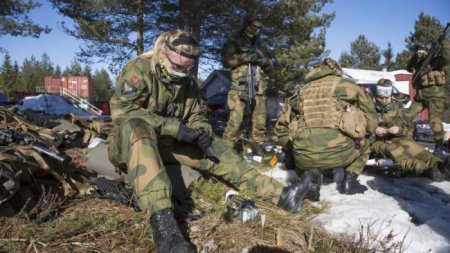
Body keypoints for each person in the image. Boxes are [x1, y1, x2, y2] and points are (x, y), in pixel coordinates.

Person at [108, 29, 312, 253]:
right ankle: (166, 231)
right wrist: (175, 128)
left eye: (187, 68)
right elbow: (123, 113)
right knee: (138, 128)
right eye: (177, 66)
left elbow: (197, 115)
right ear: (162, 52)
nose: (182, 73)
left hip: (168, 144)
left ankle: (282, 195)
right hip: (131, 143)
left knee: (217, 149)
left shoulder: (188, 82)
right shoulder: (138, 70)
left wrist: (201, 131)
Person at [276, 58, 378, 196]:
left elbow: (282, 126)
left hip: (303, 158)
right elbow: (372, 123)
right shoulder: (348, 86)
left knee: (309, 151)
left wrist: (291, 152)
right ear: (337, 70)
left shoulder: (301, 90)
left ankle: (310, 175)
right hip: (338, 154)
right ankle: (350, 181)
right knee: (366, 143)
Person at [370, 78, 449, 181]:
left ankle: (440, 166)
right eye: (381, 97)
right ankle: (424, 170)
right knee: (395, 150)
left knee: (413, 147)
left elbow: (406, 127)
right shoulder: (368, 106)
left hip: (394, 137)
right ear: (376, 94)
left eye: (387, 97)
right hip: (375, 141)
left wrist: (399, 129)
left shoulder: (396, 107)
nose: (385, 100)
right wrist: (374, 129)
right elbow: (359, 126)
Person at [221, 14, 273, 146]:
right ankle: (227, 149)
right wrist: (244, 58)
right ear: (246, 24)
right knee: (235, 120)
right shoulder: (235, 40)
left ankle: (257, 145)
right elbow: (226, 61)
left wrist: (262, 60)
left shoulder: (260, 44)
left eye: (259, 28)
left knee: (260, 119)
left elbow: (270, 65)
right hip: (240, 85)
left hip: (259, 86)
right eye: (253, 26)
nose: (256, 30)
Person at [406, 39, 450, 157]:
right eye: (418, 51)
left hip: (435, 97)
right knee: (407, 115)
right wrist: (416, 57)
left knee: (434, 121)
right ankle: (405, 140)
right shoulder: (418, 63)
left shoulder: (436, 61)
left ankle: (439, 145)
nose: (420, 53)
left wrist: (444, 43)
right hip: (421, 96)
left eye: (422, 51)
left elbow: (447, 57)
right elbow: (408, 68)